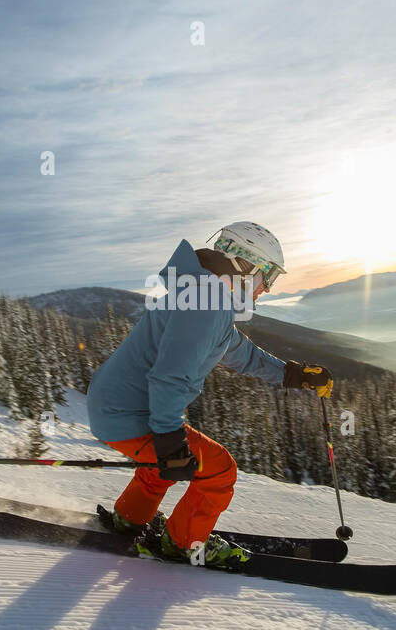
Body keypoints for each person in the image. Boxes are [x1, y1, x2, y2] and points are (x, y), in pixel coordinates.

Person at [86, 222, 334, 565]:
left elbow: (241, 354)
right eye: (269, 277)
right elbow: (170, 376)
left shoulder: (204, 297)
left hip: (115, 407)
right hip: (130, 414)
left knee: (159, 466)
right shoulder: (206, 303)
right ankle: (184, 543)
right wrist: (170, 438)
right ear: (245, 266)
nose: (267, 289)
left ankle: (130, 519)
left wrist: (292, 374)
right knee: (219, 470)